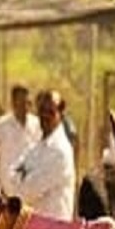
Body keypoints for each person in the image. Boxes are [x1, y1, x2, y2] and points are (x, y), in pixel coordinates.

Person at [6, 89, 76, 221]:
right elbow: (11, 176)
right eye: (42, 110)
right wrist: (22, 179)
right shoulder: (37, 147)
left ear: (60, 114)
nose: (45, 115)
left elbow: (28, 191)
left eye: (50, 111)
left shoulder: (60, 151)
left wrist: (23, 176)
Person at [0, 84, 40, 184]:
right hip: (6, 188)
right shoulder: (1, 126)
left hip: (31, 188)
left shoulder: (37, 125)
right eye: (21, 102)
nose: (25, 107)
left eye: (27, 102)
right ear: (13, 103)